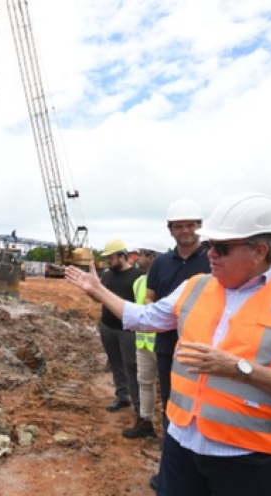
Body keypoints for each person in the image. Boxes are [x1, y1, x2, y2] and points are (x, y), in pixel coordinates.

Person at [65, 193, 271, 496]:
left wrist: (241, 369)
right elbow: (144, 317)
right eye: (210, 246)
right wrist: (98, 290)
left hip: (248, 458)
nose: (211, 255)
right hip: (181, 444)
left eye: (221, 248)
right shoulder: (196, 286)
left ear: (260, 250)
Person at [145, 198, 212, 490]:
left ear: (199, 227)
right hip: (168, 347)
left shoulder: (213, 259)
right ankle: (171, 473)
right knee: (172, 409)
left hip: (204, 349)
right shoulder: (160, 263)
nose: (185, 231)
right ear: (170, 230)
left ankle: (206, 473)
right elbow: (149, 298)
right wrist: (165, 314)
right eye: (178, 226)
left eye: (190, 225)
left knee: (206, 409)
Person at [123, 236, 168, 439]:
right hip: (143, 343)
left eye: (141, 254)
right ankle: (145, 422)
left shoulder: (169, 279)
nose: (138, 257)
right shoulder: (140, 282)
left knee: (169, 388)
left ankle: (170, 431)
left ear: (152, 257)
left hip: (163, 345)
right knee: (145, 383)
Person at [96, 239, 144, 421]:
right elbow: (99, 298)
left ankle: (140, 408)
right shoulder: (107, 275)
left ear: (122, 256)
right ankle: (122, 396)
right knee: (116, 363)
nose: (109, 260)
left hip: (128, 331)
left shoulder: (138, 276)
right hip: (108, 327)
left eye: (111, 257)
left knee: (132, 366)